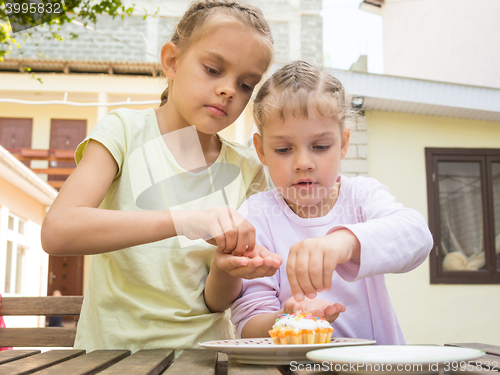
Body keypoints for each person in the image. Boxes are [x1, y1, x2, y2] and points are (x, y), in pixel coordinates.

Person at [41, 0, 282, 354]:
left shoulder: (248, 168)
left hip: (205, 358)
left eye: (246, 84)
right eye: (214, 69)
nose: (230, 90)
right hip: (112, 357)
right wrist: (188, 221)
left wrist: (227, 267)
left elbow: (217, 303)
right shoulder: (124, 131)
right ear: (171, 61)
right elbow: (58, 231)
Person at [229, 61, 434, 344]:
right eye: (283, 149)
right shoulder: (256, 215)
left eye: (321, 146)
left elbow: (417, 237)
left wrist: (343, 243)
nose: (303, 163)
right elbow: (247, 325)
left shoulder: (362, 196)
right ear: (261, 150)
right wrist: (287, 318)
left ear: (344, 143)